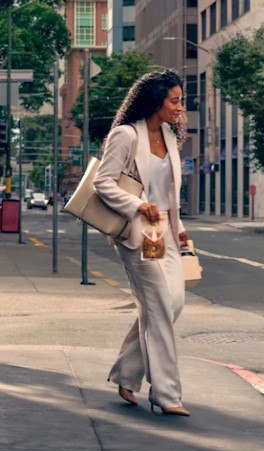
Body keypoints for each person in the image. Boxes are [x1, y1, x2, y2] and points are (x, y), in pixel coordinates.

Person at [94, 69, 192, 416]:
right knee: (159, 308)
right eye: (175, 100)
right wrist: (137, 205)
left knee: (172, 304)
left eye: (181, 100)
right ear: (155, 101)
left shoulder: (169, 136)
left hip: (163, 230)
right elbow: (103, 183)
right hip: (138, 230)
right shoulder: (125, 136)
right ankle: (166, 395)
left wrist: (178, 229)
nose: (181, 107)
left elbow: (169, 191)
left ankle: (126, 371)